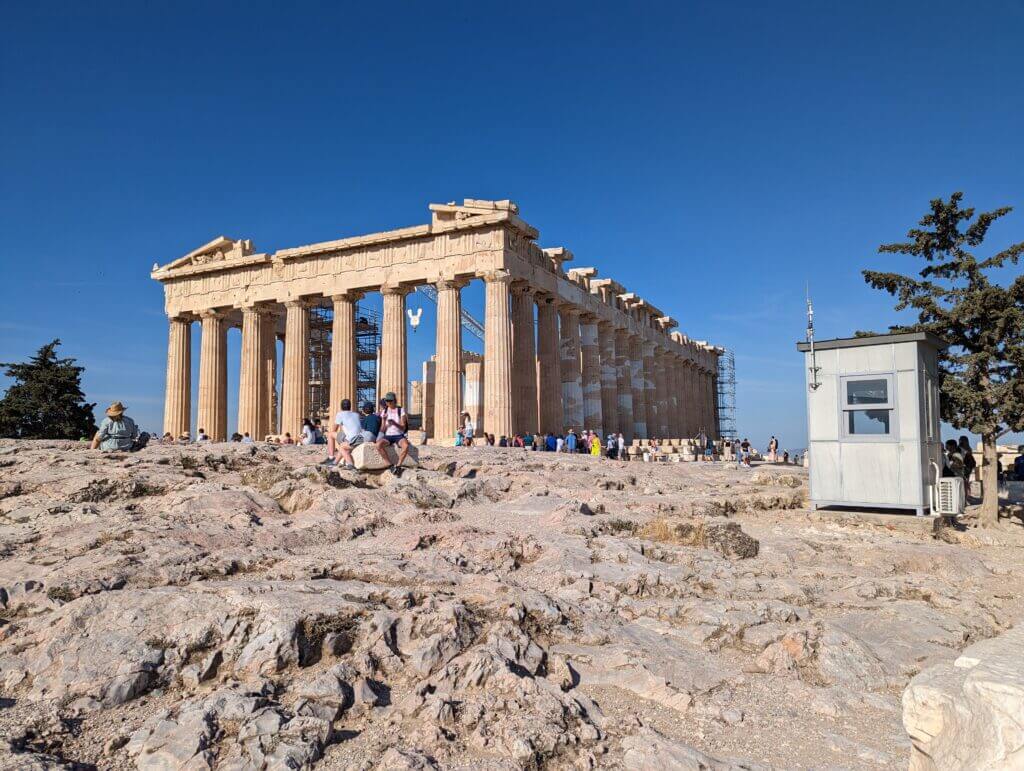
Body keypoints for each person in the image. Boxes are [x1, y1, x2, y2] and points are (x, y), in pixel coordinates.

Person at [375, 391, 410, 473]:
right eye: (387, 401)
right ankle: (390, 465)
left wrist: (394, 423)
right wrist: (384, 420)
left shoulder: (400, 410)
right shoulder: (384, 411)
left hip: (399, 435)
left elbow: (403, 427)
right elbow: (382, 428)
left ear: (395, 400)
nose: (389, 403)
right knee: (378, 445)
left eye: (391, 401)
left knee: (406, 446)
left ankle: (398, 465)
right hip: (388, 436)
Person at [326, 398, 364, 469]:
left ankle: (331, 457)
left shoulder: (340, 414)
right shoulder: (356, 414)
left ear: (341, 407)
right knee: (343, 446)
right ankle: (334, 463)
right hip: (361, 438)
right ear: (350, 406)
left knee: (330, 434)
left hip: (352, 440)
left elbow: (334, 430)